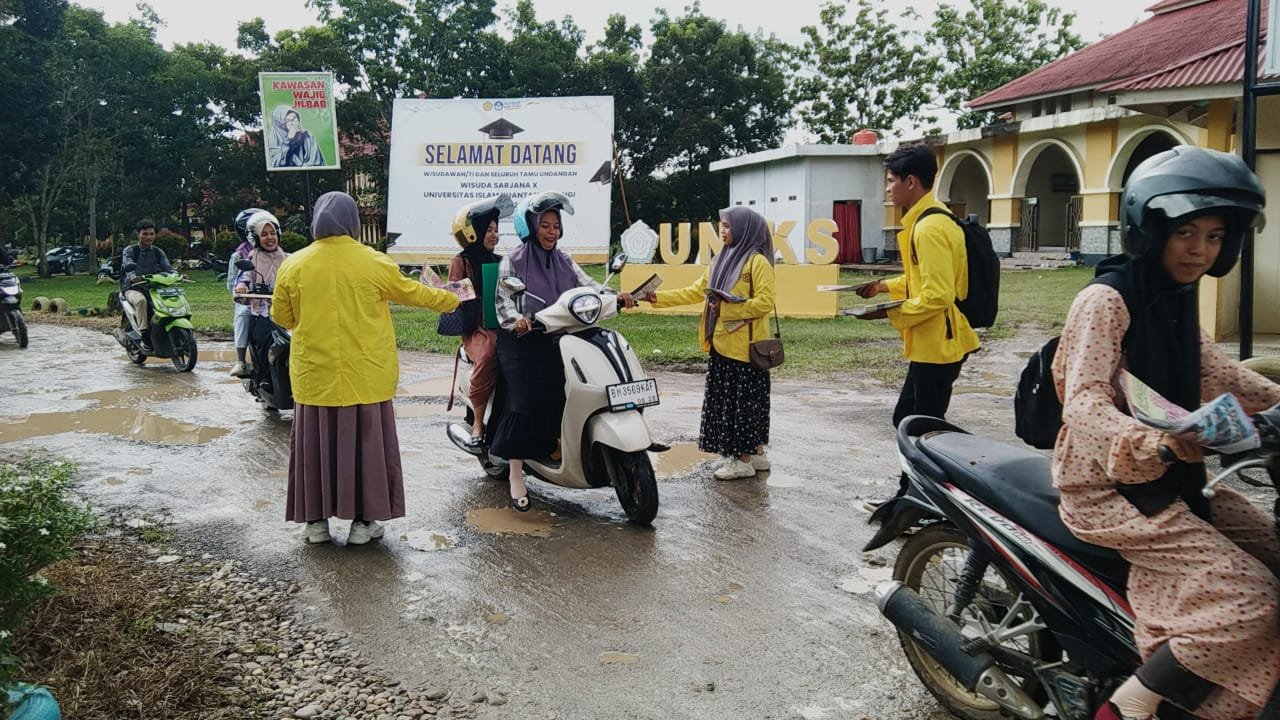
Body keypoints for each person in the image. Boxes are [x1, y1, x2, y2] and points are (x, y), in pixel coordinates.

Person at [1052, 146, 1280, 720]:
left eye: (1215, 236)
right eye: (1186, 232)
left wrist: (1277, 401)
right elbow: (1082, 401)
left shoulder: (1176, 298)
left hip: (1173, 476)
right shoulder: (1105, 300)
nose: (1200, 250)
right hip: (1107, 489)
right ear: (1150, 229)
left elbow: (1217, 372)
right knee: (1249, 596)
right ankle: (1128, 705)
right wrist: (1146, 441)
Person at [271, 191, 460, 545]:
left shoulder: (293, 265)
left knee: (315, 450)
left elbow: (282, 316)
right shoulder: (373, 262)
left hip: (315, 378)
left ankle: (316, 524)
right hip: (366, 377)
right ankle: (363, 524)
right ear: (353, 222)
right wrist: (454, 297)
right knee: (367, 449)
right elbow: (416, 294)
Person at [490, 191, 635, 511]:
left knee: (572, 388)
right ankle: (516, 473)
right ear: (530, 226)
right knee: (525, 400)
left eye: (556, 225)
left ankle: (559, 443)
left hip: (559, 335)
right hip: (522, 341)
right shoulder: (511, 261)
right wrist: (519, 322)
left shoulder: (564, 260)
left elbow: (589, 288)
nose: (552, 231)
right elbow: (503, 306)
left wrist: (616, 296)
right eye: (545, 225)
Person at [856, 143, 980, 507]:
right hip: (932, 343)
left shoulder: (929, 228)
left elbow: (938, 295)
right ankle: (912, 497)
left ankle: (929, 503)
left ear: (912, 181)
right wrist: (882, 287)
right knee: (911, 422)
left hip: (939, 345)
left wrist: (889, 312)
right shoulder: (928, 222)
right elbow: (921, 283)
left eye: (892, 181)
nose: (888, 189)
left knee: (922, 428)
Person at [639, 206, 776, 481]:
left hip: (746, 351)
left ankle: (742, 461)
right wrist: (657, 298)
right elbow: (695, 292)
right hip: (722, 344)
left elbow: (765, 302)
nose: (723, 231)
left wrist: (727, 310)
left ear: (744, 229)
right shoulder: (720, 260)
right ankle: (757, 454)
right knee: (736, 404)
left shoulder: (756, 262)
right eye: (721, 226)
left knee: (744, 406)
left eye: (728, 226)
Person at [448, 196, 512, 446]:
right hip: (476, 328)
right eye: (489, 229)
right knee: (487, 354)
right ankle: (477, 423)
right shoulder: (460, 261)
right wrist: (460, 291)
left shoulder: (501, 261)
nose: (494, 235)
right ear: (473, 232)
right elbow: (452, 296)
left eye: (497, 230)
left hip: (502, 322)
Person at [232, 210, 287, 388]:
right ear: (255, 237)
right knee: (267, 341)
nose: (269, 237)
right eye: (264, 234)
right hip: (262, 312)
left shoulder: (288, 258)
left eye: (272, 233)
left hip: (287, 312)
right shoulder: (251, 257)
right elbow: (243, 279)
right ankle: (265, 379)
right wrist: (242, 288)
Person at [121, 218, 177, 352]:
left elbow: (167, 267)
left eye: (151, 234)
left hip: (155, 288)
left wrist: (177, 275)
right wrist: (133, 277)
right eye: (145, 234)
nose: (149, 237)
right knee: (141, 301)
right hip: (133, 288)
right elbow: (127, 264)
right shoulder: (130, 250)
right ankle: (145, 336)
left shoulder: (158, 252)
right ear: (138, 234)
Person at [228, 207, 265, 378]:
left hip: (273, 299)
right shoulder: (240, 255)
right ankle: (241, 360)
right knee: (242, 315)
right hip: (250, 301)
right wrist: (241, 290)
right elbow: (232, 282)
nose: (267, 236)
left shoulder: (279, 253)